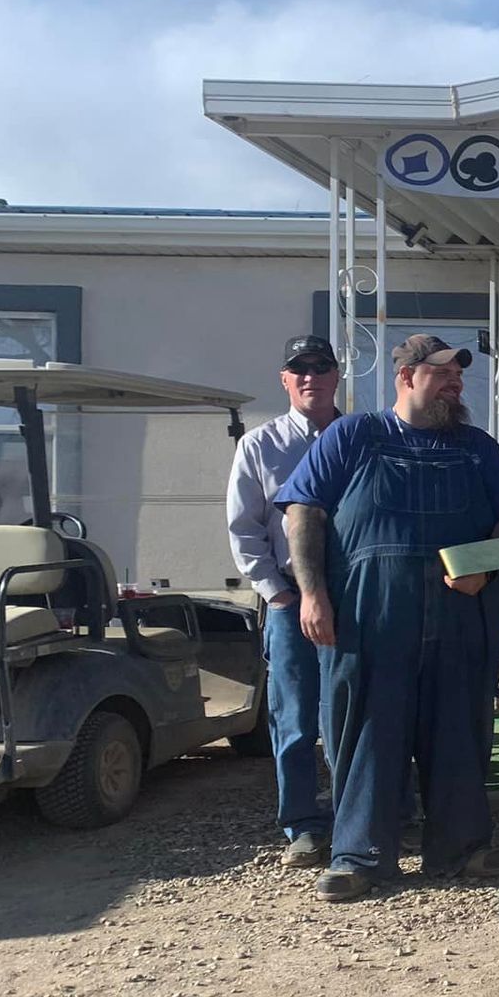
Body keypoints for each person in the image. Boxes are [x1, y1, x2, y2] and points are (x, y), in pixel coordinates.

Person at [278, 334, 499, 901]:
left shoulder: (476, 447)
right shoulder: (353, 435)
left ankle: (464, 848)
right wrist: (313, 595)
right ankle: (359, 857)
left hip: (457, 612)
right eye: (442, 374)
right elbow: (303, 514)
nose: (455, 383)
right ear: (406, 377)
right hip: (370, 617)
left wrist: (485, 569)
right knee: (367, 730)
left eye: (458, 376)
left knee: (457, 731)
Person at [225, 334, 341, 868]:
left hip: (356, 600)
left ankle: (365, 814)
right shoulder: (260, 445)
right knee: (294, 718)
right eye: (300, 369)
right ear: (284, 379)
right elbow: (244, 530)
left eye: (321, 366)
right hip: (292, 605)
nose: (311, 376)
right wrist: (276, 594)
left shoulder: (360, 437)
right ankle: (303, 824)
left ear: (337, 375)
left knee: (360, 713)